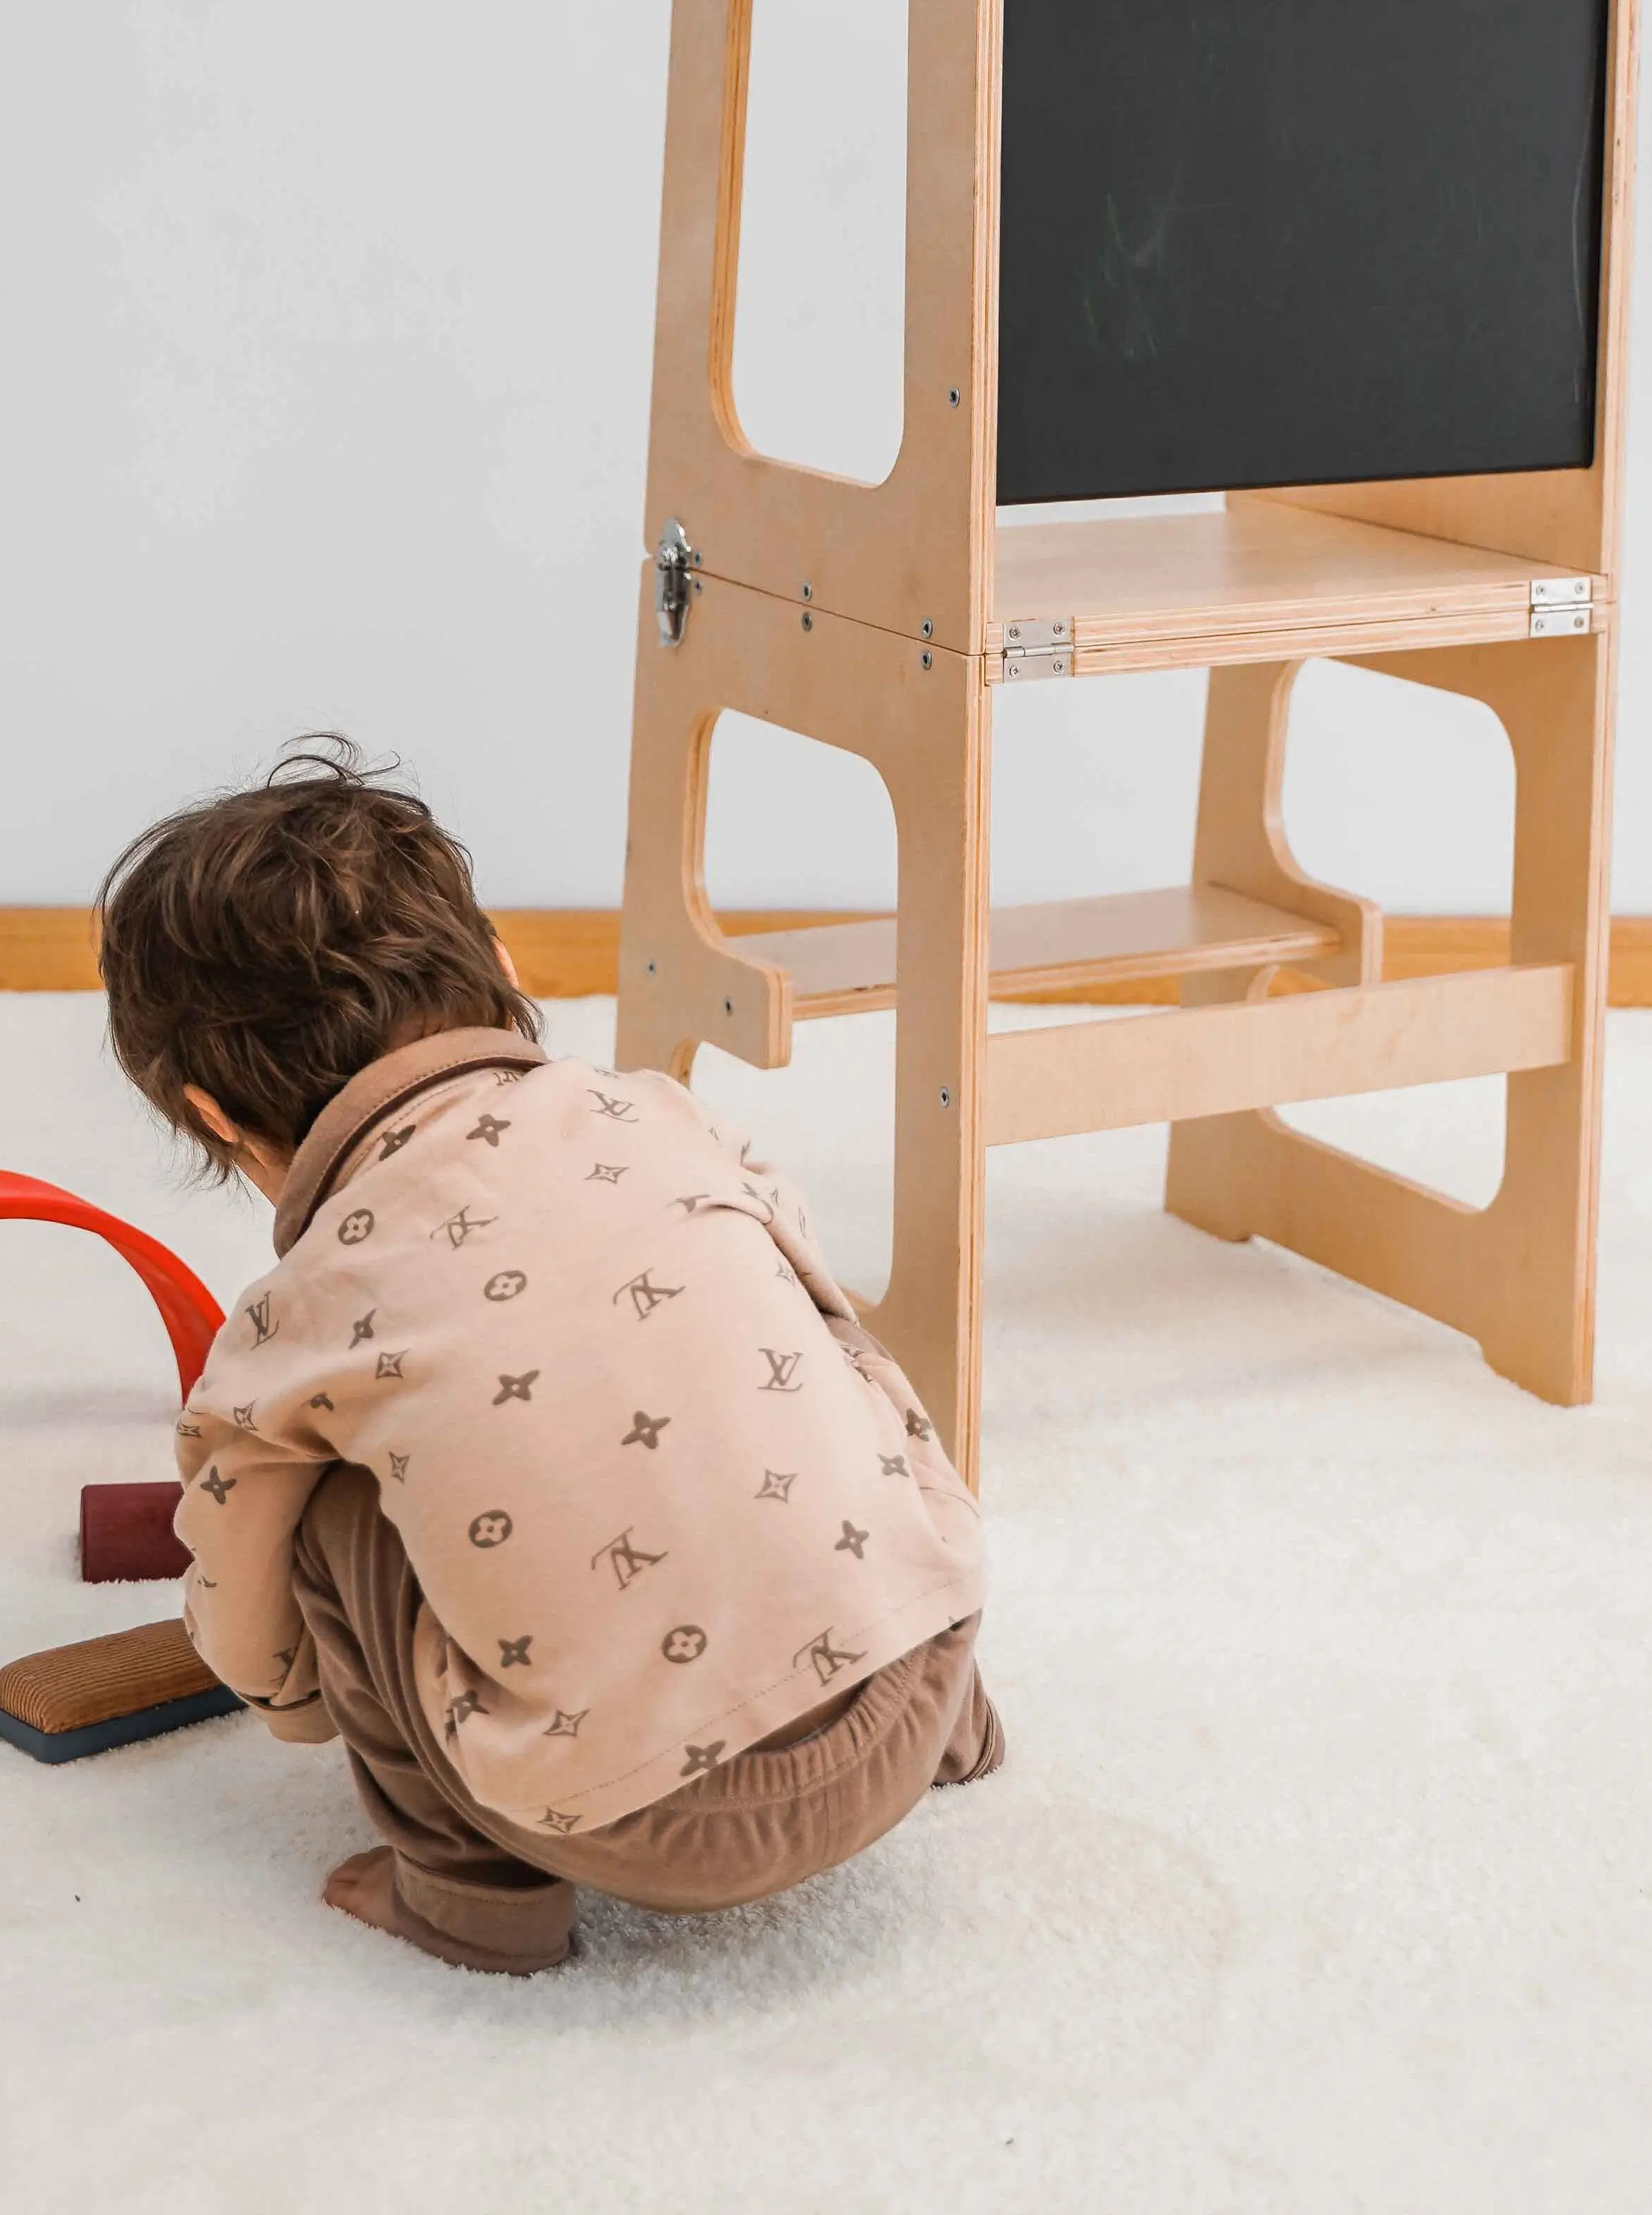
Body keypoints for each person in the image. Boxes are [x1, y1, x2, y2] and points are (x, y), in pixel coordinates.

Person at [96, 739, 997, 1974]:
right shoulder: (661, 1117)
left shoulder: (298, 1313)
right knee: (801, 1338)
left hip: (646, 1822)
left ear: (213, 1117)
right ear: (505, 969)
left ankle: (473, 1903)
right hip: (915, 1681)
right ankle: (966, 1730)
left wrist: (294, 1697)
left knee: (320, 1499)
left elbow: (252, 1620)